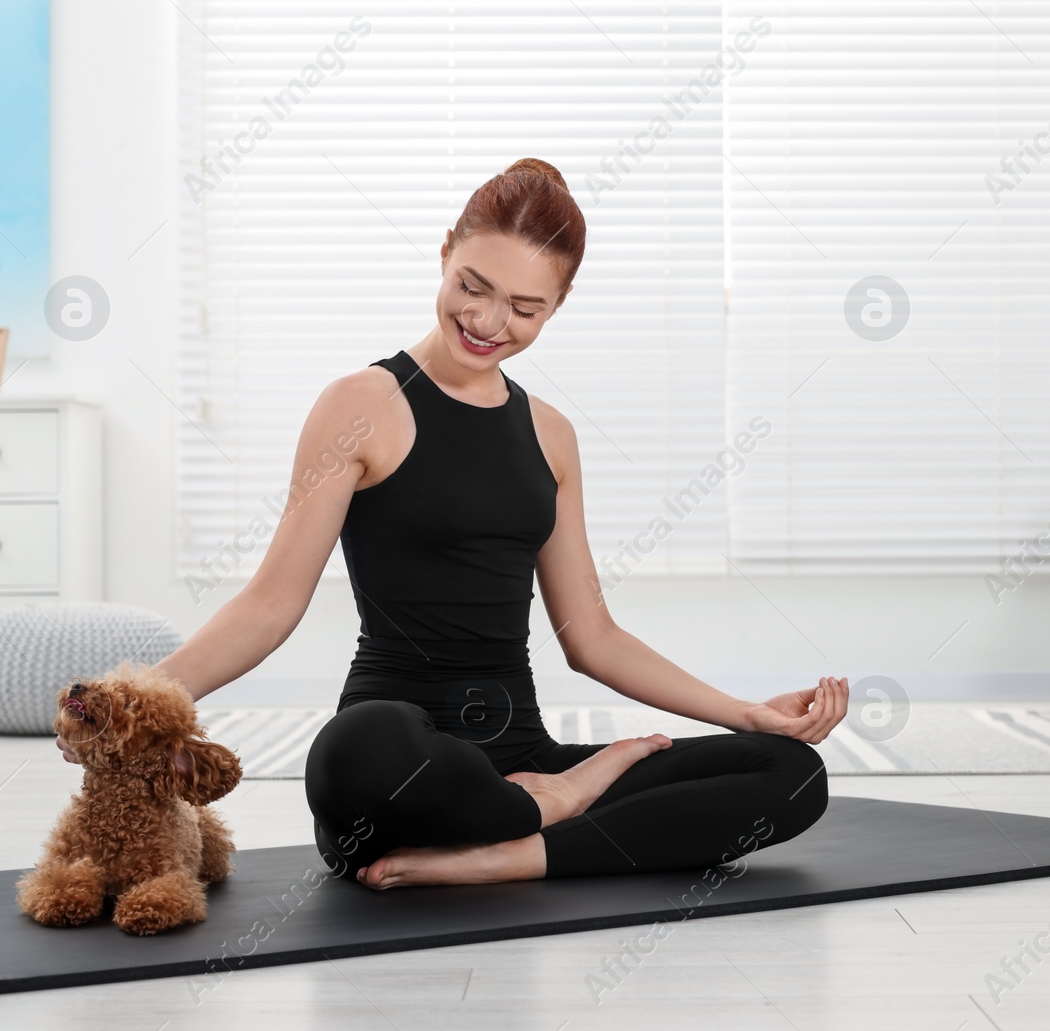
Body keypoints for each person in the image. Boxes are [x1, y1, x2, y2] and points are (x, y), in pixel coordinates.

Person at [57, 158, 849, 889]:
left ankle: (515, 850)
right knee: (354, 750)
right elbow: (270, 605)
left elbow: (594, 637)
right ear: (445, 253)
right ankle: (555, 810)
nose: (490, 320)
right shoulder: (363, 405)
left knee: (790, 773)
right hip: (405, 767)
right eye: (474, 285)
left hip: (522, 762)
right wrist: (131, 707)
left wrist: (748, 712)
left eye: (526, 306)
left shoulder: (552, 434)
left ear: (558, 306)